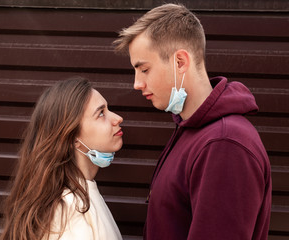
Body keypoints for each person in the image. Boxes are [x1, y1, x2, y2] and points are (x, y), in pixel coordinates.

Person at [113, 3, 271, 240]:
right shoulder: (193, 130)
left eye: (144, 69)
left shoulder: (224, 144)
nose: (137, 83)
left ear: (180, 62)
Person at [0, 77, 124, 240]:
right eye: (101, 113)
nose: (117, 118)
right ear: (72, 138)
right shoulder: (69, 211)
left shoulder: (84, 192)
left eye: (108, 109)